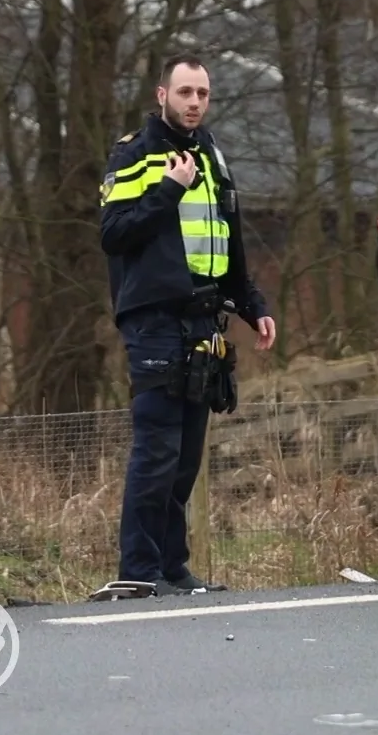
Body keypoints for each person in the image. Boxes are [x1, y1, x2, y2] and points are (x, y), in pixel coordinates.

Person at [99, 54, 276, 596]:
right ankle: (138, 571)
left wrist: (253, 304)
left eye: (202, 93)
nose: (194, 102)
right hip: (154, 319)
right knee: (157, 451)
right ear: (162, 95)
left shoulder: (214, 155)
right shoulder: (137, 153)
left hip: (206, 319)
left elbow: (227, 240)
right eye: (185, 93)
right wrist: (168, 189)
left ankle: (172, 569)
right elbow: (114, 232)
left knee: (187, 459)